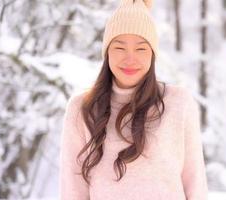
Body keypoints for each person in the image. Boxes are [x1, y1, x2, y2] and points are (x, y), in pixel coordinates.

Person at [59, 0, 208, 199]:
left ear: (152, 54)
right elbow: (72, 190)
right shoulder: (82, 108)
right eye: (120, 48)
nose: (130, 58)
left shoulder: (178, 102)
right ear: (107, 52)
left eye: (141, 49)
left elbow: (195, 183)